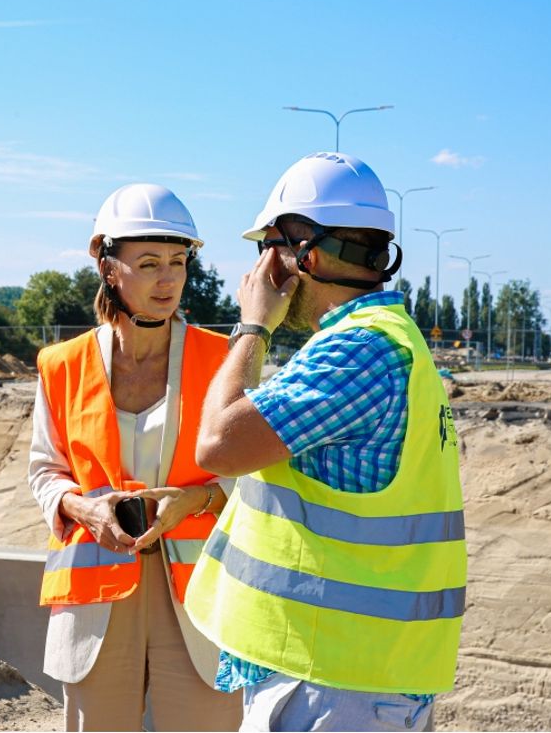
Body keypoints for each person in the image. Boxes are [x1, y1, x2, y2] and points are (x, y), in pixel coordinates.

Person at [183, 152, 467, 732]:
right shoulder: (389, 342)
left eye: (270, 246)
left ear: (305, 251)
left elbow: (216, 442)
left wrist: (253, 325)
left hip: (334, 682)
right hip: (352, 677)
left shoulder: (358, 352)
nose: (263, 268)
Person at [27, 183, 243, 732]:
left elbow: (254, 478)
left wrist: (194, 498)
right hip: (96, 601)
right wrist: (83, 509)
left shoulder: (225, 361)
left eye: (178, 262)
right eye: (148, 264)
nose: (168, 279)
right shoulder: (62, 365)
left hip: (197, 599)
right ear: (108, 266)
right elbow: (45, 470)